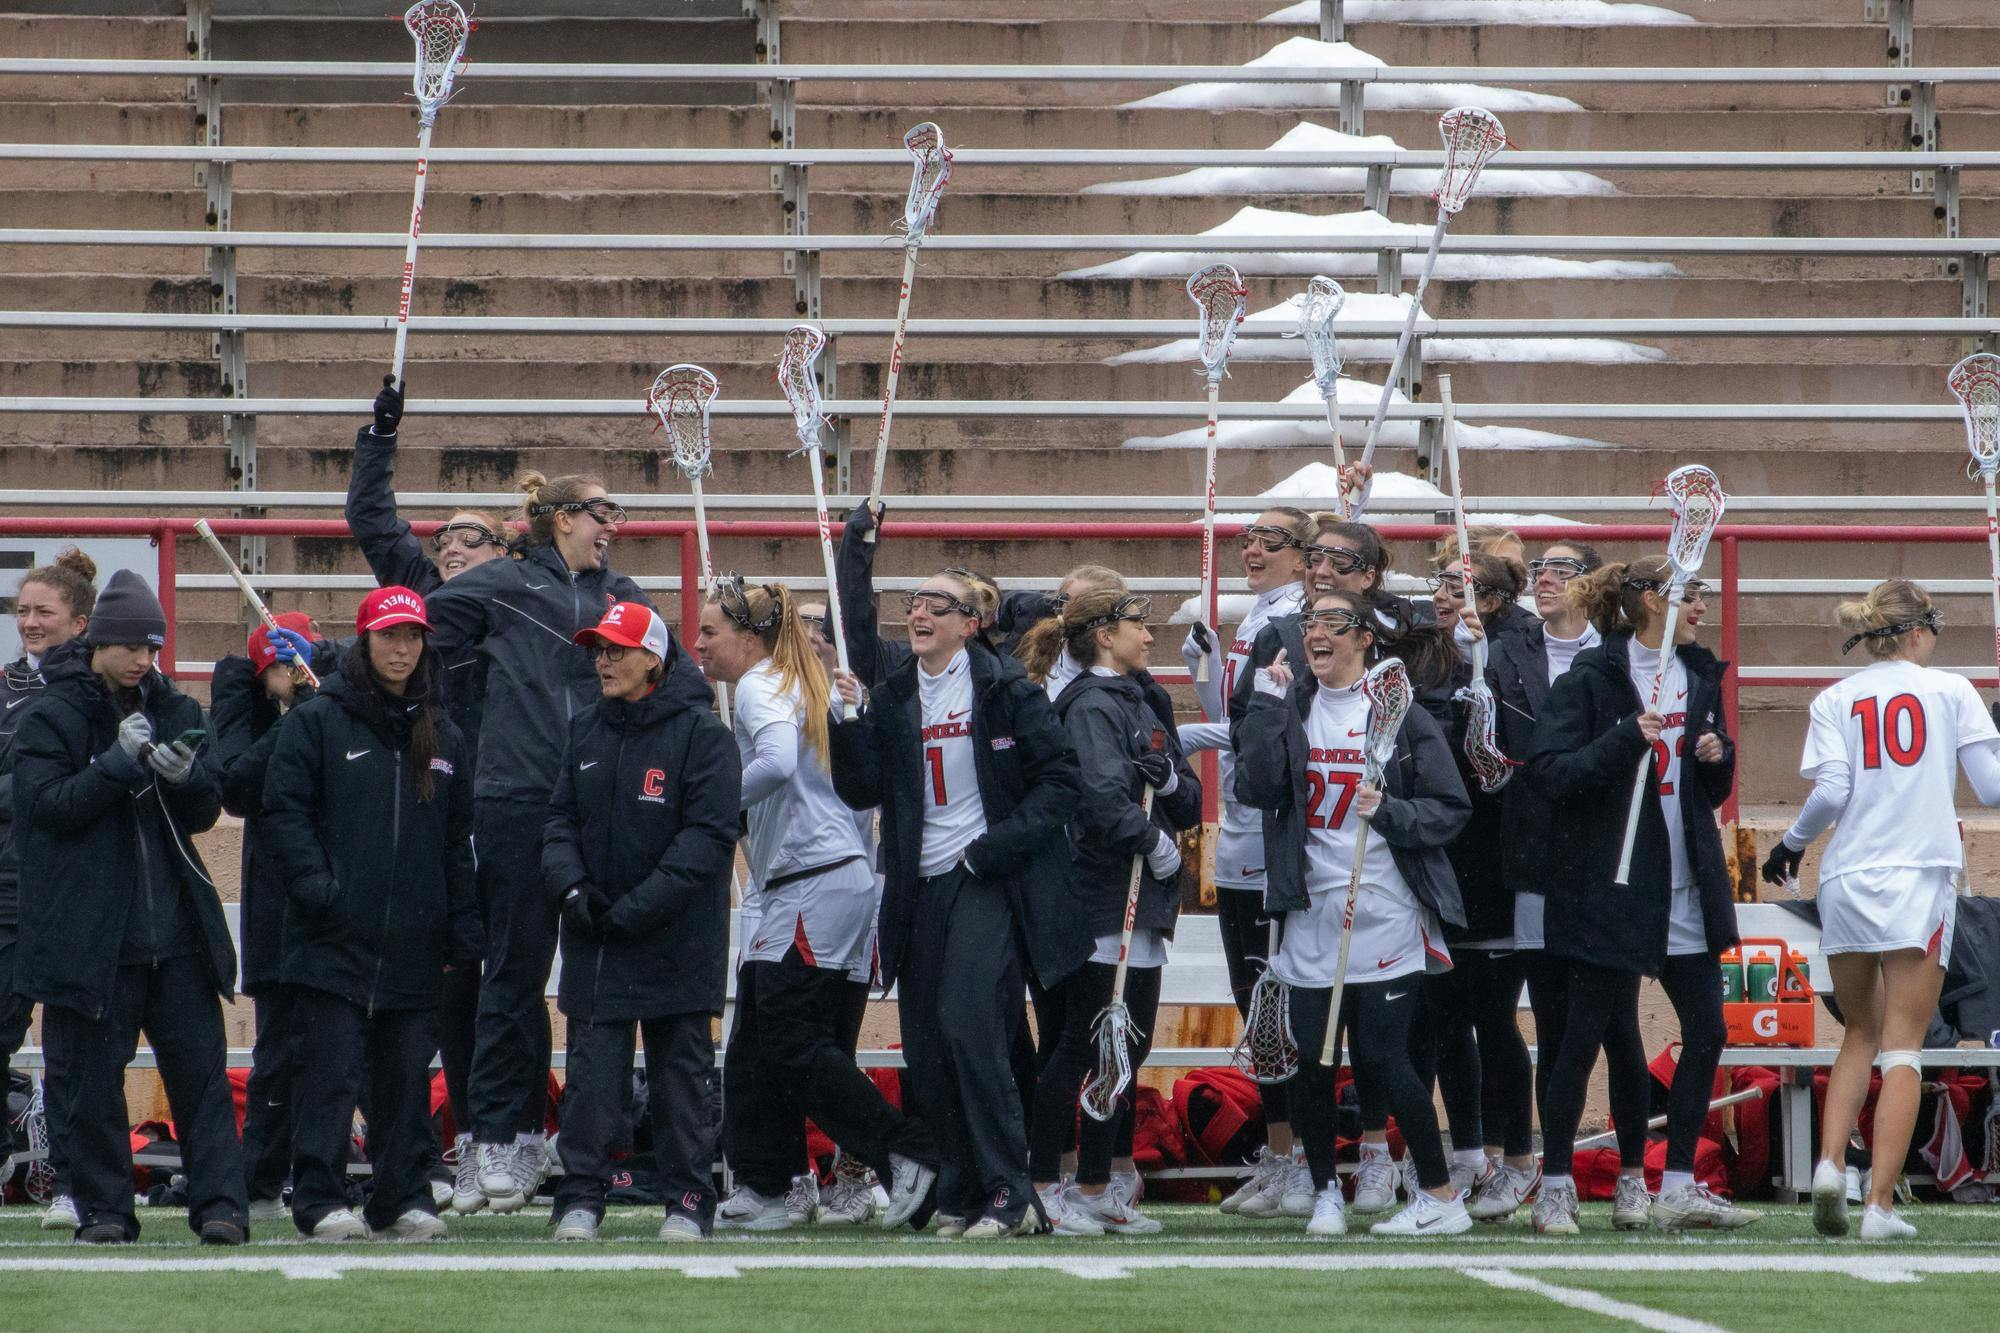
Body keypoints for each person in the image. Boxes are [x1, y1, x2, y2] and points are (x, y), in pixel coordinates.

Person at [829, 566, 1086, 1238]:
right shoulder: (891, 696)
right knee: (929, 1044)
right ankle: (962, 1183)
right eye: (914, 602)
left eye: (937, 604)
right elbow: (861, 789)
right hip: (918, 885)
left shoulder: (1003, 688)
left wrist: (991, 848)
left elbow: (1059, 782)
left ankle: (1010, 1189)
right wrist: (846, 717)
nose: (920, 613)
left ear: (970, 621)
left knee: (970, 1023)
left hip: (984, 876)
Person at [427, 469, 647, 1211]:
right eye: (600, 510)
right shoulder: (504, 585)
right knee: (514, 970)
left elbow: (668, 677)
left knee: (592, 984)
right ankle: (501, 1132)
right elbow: (417, 628)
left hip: (597, 805)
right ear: (561, 519)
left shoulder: (628, 598)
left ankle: (581, 1145)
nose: (610, 524)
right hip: (515, 799)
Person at [694, 576, 937, 1233]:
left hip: (811, 881)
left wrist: (713, 801)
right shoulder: (800, 681)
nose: (698, 643)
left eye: (709, 631)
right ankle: (774, 1182)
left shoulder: (758, 685)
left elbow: (772, 761)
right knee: (753, 1046)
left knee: (792, 1041)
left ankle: (902, 1150)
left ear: (748, 638)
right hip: (815, 880)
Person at [10, 569, 246, 1244]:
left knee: (201, 1080)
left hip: (173, 932)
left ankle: (222, 1206)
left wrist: (191, 776)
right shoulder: (53, 713)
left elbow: (206, 806)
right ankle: (106, 1209)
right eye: (133, 645)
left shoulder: (174, 707)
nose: (146, 659)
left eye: (154, 645)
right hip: (92, 940)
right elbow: (42, 811)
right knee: (90, 1085)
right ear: (99, 643)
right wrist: (114, 765)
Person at [1761, 580, 2000, 1240]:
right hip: (1918, 879)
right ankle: (1880, 1206)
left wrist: (1792, 842)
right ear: (1920, 631)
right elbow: (1991, 786)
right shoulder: (1952, 691)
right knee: (1903, 1045)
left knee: (1857, 1033)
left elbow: (1832, 789)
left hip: (1846, 876)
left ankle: (1833, 1165)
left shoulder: (1837, 697)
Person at [1526, 555, 1757, 1233]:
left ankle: (1678, 1182)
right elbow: (1550, 771)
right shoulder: (1595, 676)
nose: (1702, 609)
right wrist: (1623, 739)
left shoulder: (1697, 673)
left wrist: (1719, 757)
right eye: (1692, 596)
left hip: (1687, 885)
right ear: (1653, 601)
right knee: (1585, 1035)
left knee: (1708, 1027)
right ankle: (1556, 1185)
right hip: (1615, 884)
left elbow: (1704, 793)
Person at [1233, 587, 1473, 1238]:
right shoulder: (1293, 703)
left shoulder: (1397, 710)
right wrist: (1265, 703)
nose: (1316, 632)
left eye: (1333, 622)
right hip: (1312, 910)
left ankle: (1439, 1194)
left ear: (1365, 637)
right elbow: (1253, 785)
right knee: (1310, 1060)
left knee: (1385, 1058)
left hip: (1386, 909)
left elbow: (1451, 807)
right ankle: (1323, 1195)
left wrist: (1387, 811)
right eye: (1311, 621)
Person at [261, 587, 478, 1241]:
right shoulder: (318, 719)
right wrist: (320, 891)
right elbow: (284, 811)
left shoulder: (444, 733)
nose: (402, 648)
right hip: (332, 937)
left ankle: (401, 1195)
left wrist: (461, 925)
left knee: (406, 1079)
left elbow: (456, 840)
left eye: (412, 636)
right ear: (364, 640)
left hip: (416, 939)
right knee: (330, 1074)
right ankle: (321, 1198)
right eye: (389, 635)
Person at [344, 376, 508, 1211]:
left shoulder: (519, 600)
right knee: (435, 992)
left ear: (504, 552)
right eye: (443, 534)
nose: (449, 544)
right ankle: (448, 1150)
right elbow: (370, 520)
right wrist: (381, 433)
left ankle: (504, 1142)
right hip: (429, 814)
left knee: (502, 987)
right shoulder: (425, 597)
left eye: (470, 537)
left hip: (504, 816)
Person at [543, 601, 739, 1242]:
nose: (603, 660)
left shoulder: (703, 734)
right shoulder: (584, 730)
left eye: (617, 649)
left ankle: (687, 1200)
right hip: (598, 935)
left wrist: (638, 906)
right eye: (599, 649)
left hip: (676, 937)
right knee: (593, 1074)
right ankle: (579, 1195)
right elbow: (559, 821)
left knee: (680, 1074)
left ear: (653, 659)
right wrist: (570, 886)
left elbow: (706, 841)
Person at [1471, 540, 1640, 1224]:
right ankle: (1555, 1175)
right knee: (1555, 1016)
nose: (1545, 579)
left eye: (1563, 570)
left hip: (1608, 861)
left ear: (1589, 582)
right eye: (1538, 569)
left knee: (1621, 1027)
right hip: (1537, 853)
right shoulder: (1503, 649)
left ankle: (1633, 1175)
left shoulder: (1625, 656)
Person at [1037, 588, 1202, 1235]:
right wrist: (1155, 842)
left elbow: (1187, 799)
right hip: (1102, 895)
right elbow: (1102, 797)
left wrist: (1166, 784)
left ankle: (1098, 1183)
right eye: (1138, 622)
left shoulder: (1141, 699)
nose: (1149, 634)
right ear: (1104, 634)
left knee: (1123, 1050)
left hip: (1145, 904)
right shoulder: (1090, 705)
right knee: (1081, 1044)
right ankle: (1043, 1182)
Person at [1176, 506, 1314, 1218]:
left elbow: (1258, 731)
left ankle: (1299, 1159)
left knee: (1274, 1007)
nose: (1252, 548)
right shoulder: (1254, 619)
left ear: (1302, 553)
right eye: (1246, 537)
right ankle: (1282, 1151)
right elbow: (1233, 719)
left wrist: (1171, 730)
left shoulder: (1292, 621)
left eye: (1270, 539)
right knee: (1252, 1004)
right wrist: (1205, 669)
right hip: (1235, 833)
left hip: (1269, 837)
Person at [1421, 549, 1538, 1200]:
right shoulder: (1433, 653)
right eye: (1436, 583)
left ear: (1489, 600)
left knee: (1494, 1018)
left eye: (1452, 586)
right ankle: (1472, 1152)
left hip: (1495, 859)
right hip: (1443, 860)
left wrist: (1482, 668)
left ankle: (1519, 1156)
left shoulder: (1517, 652)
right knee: (1446, 1019)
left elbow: (1508, 754)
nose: (1438, 596)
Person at [210, 609, 330, 1222]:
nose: (291, 673)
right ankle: (261, 1181)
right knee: (279, 1052)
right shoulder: (260, 722)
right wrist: (300, 715)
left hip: (335, 900)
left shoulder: (339, 703)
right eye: (278, 664)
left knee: (345, 1050)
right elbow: (238, 784)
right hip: (278, 906)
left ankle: (339, 1175)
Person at [0, 547, 95, 1229]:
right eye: (22, 609)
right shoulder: (2, 686)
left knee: (75, 1047)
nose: (29, 621)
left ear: (81, 621)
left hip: (73, 892)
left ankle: (70, 1178)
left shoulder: (101, 690)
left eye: (44, 611)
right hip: (7, 889)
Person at [1012, 564, 1127, 698]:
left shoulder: (1136, 677)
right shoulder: (1034, 677)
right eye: (1066, 601)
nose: (1074, 612)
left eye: (1087, 605)